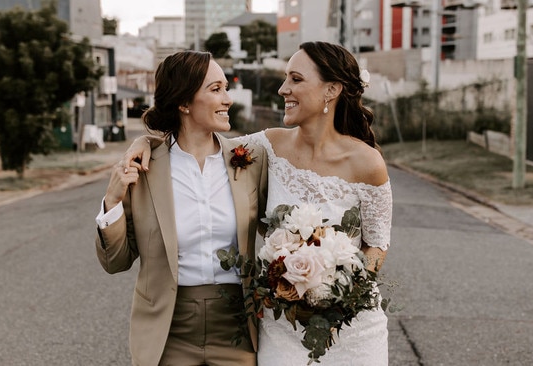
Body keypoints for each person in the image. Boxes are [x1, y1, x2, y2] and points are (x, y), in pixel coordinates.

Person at [123, 41, 392, 365]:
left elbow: (376, 246)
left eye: (295, 79)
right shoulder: (267, 148)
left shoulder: (369, 164)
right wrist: (146, 141)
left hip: (350, 325)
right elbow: (196, 142)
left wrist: (338, 296)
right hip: (284, 324)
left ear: (331, 90)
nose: (282, 89)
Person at [94, 50, 268, 366]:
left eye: (226, 88)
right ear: (184, 102)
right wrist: (112, 201)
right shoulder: (144, 167)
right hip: (167, 330)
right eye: (215, 89)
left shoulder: (250, 160)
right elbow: (116, 262)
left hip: (238, 327)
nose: (227, 98)